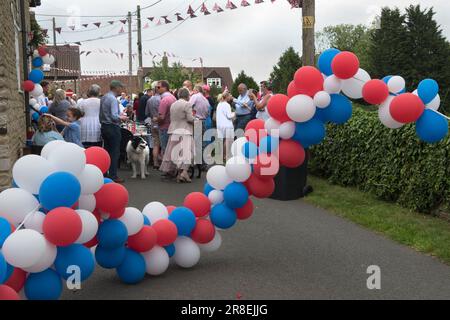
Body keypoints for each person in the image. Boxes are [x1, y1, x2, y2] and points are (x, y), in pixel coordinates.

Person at [160, 88, 196, 183]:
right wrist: (196, 119)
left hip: (174, 131)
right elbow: (189, 118)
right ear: (187, 96)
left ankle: (180, 175)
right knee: (188, 152)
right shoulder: (187, 104)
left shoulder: (173, 104)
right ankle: (184, 172)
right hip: (185, 131)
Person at [100, 80, 128, 183]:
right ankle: (113, 175)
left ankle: (104, 172)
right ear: (116, 88)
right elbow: (114, 116)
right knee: (114, 152)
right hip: (112, 126)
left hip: (104, 126)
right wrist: (122, 118)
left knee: (107, 151)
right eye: (121, 87)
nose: (122, 89)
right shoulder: (113, 99)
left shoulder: (104, 97)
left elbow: (102, 114)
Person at [157, 80, 176, 155]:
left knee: (165, 151)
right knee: (172, 150)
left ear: (164, 88)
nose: (157, 88)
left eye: (158, 87)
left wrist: (156, 120)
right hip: (172, 127)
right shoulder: (173, 97)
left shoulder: (164, 100)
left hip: (164, 128)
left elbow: (161, 117)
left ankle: (166, 166)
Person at [215, 92, 236, 162]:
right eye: (230, 96)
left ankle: (220, 155)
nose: (231, 97)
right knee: (227, 140)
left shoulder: (219, 104)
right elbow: (229, 116)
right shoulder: (227, 105)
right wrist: (234, 113)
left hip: (220, 125)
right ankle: (225, 156)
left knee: (222, 140)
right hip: (227, 125)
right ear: (227, 97)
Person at [145, 81, 161, 169]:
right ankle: (162, 163)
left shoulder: (149, 100)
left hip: (153, 123)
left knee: (155, 144)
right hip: (161, 124)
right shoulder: (162, 99)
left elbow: (146, 113)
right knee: (163, 145)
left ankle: (155, 162)